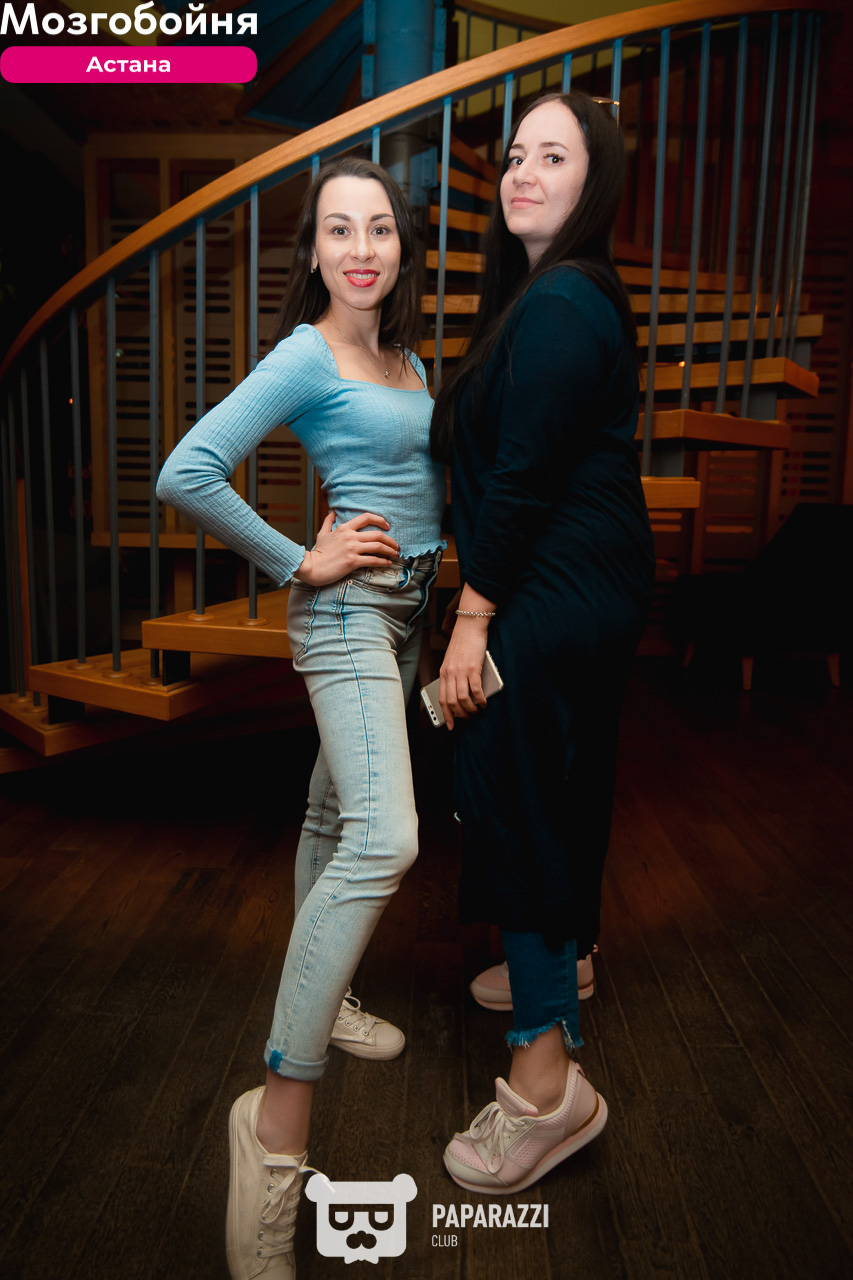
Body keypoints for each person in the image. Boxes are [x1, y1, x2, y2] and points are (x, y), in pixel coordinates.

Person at [156, 156, 445, 1278]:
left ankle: (335, 1000)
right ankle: (274, 1121)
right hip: (347, 611)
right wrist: (298, 559)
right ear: (313, 252)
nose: (360, 249)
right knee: (386, 834)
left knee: (331, 814)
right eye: (339, 230)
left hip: (409, 606)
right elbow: (188, 469)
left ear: (402, 248)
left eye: (379, 229)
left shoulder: (408, 359)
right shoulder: (306, 353)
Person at [430, 91, 656, 1194]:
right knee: (556, 783)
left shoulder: (564, 298)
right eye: (515, 154)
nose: (522, 171)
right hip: (581, 574)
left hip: (554, 579)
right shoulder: (548, 295)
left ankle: (544, 1084)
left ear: (593, 180)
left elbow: (521, 477)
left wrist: (470, 619)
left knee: (510, 783)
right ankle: (556, 971)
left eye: (552, 157)